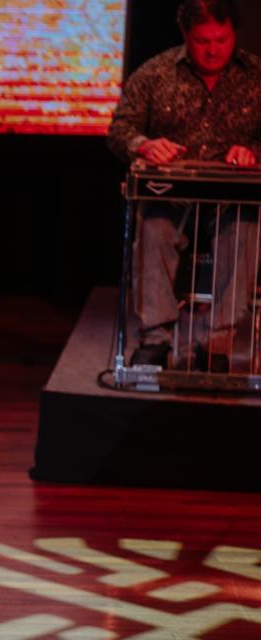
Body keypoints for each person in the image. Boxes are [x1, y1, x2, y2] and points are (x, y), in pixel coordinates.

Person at [108, 0, 261, 370]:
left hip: (232, 196)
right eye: (201, 41)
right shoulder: (156, 73)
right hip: (170, 195)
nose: (212, 49)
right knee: (154, 228)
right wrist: (144, 144)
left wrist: (254, 150)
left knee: (243, 230)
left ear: (234, 35)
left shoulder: (256, 75)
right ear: (185, 37)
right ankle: (156, 340)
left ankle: (216, 344)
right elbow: (120, 129)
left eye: (221, 40)